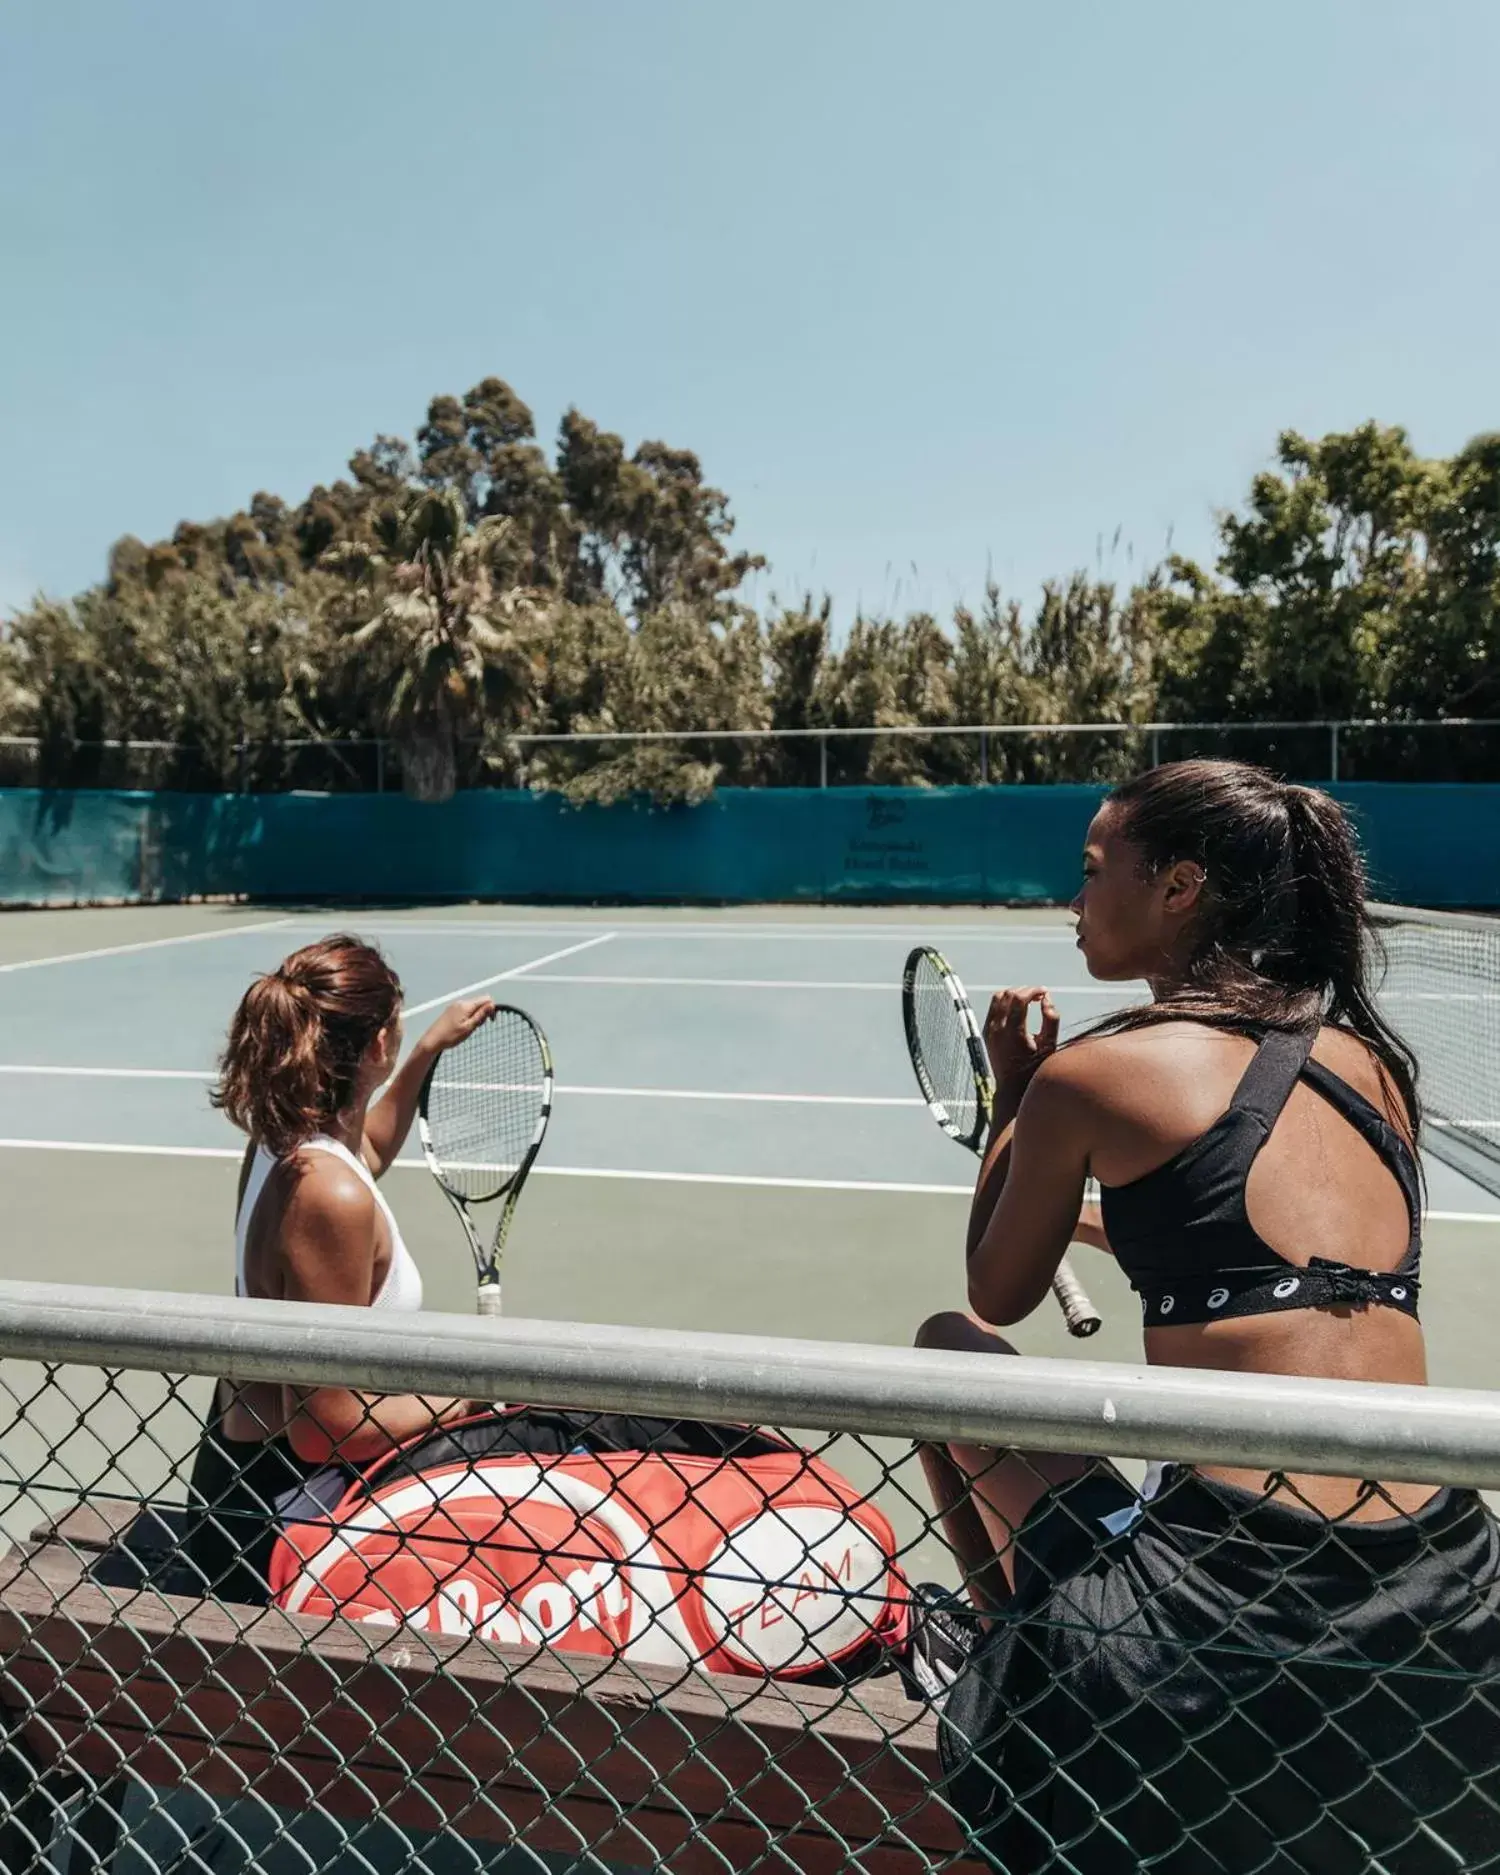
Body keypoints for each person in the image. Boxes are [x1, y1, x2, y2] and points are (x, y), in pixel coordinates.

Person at [917, 762, 1500, 1872]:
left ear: (1180, 887)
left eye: (1093, 873)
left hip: (1231, 1599)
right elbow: (1278, 1269)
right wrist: (1103, 1225)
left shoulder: (1094, 1075)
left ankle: (1013, 1644)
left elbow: (996, 1290)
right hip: (1445, 1580)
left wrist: (1012, 1101)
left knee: (943, 1350)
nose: (1073, 901)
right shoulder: (1376, 1067)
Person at [183, 934, 494, 1604]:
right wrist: (468, 1393)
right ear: (373, 1044)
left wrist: (426, 1053)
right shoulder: (329, 1196)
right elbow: (326, 1426)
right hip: (270, 1531)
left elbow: (369, 1148)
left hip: (242, 1489)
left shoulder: (285, 1140)